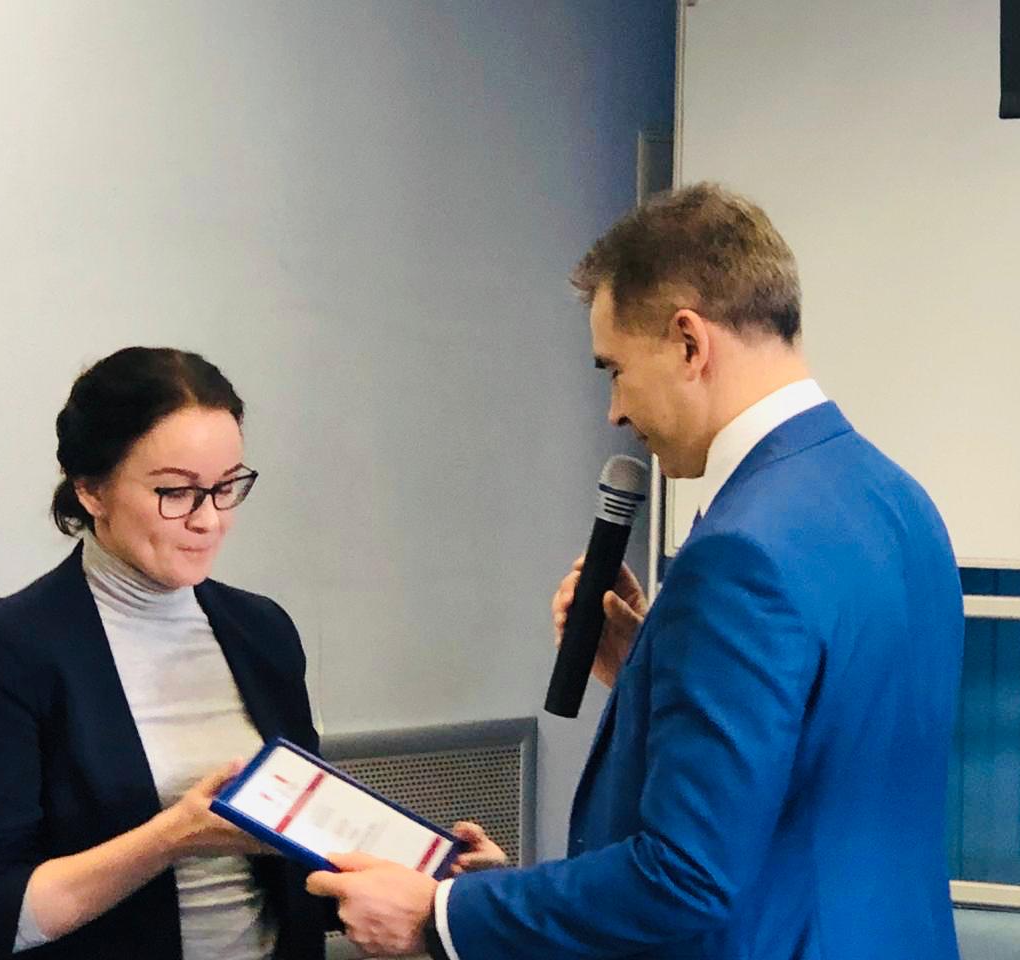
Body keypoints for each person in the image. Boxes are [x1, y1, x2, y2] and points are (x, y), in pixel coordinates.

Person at [305, 184, 966, 959]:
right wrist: (653, 671)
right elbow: (817, 761)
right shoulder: (898, 501)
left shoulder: (740, 552)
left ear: (689, 343)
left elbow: (686, 876)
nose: (614, 411)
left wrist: (441, 913)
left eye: (613, 369)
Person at [0, 347, 327, 960]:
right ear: (91, 490)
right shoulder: (7, 647)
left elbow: (302, 855)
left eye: (226, 487)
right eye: (176, 492)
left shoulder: (262, 630)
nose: (209, 520)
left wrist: (441, 881)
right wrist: (173, 837)